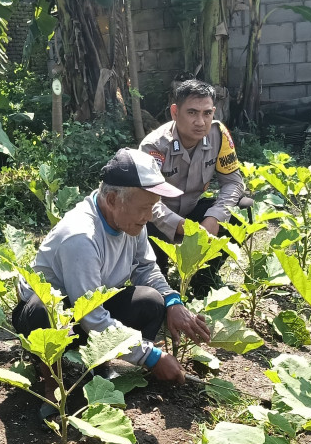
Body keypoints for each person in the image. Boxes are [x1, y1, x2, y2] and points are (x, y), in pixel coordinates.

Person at [11, 148, 211, 391]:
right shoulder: (81, 236)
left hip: (89, 311)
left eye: (152, 207)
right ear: (113, 200)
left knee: (151, 301)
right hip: (51, 321)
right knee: (45, 309)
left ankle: (102, 366)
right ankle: (52, 383)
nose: (149, 216)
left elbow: (146, 268)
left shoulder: (131, 220)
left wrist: (172, 302)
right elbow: (91, 316)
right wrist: (153, 357)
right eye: (144, 207)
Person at [139, 78, 248, 252]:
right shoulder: (154, 146)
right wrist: (184, 227)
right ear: (175, 112)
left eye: (206, 113)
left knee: (245, 208)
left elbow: (233, 182)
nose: (200, 122)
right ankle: (158, 271)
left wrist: (215, 217)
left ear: (214, 112)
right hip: (161, 219)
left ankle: (203, 277)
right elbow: (146, 201)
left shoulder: (218, 135)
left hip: (194, 209)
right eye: (192, 113)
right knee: (145, 221)